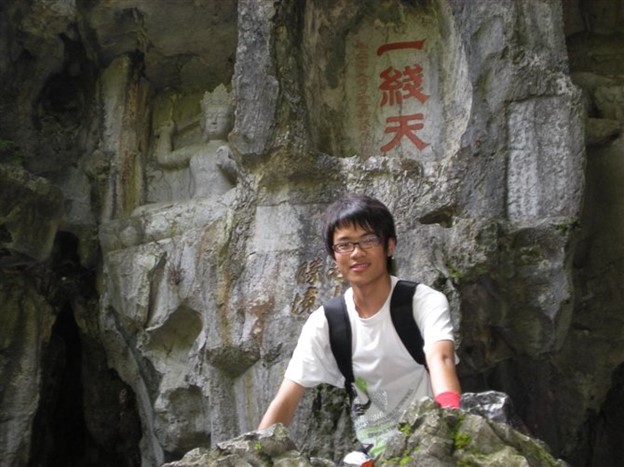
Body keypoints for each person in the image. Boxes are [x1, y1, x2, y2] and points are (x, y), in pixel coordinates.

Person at [258, 193, 461, 458]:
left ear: (389, 246)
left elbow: (441, 358)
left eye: (368, 240)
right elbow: (286, 399)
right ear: (334, 255)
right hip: (374, 456)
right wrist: (254, 454)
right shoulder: (327, 322)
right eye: (344, 245)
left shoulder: (423, 302)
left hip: (430, 445)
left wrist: (453, 423)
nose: (356, 252)